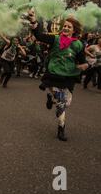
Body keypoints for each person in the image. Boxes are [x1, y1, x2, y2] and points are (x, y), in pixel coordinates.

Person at [28, 10, 89, 141]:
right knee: (61, 104)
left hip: (68, 76)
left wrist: (84, 65)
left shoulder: (78, 44)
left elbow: (83, 61)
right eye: (65, 26)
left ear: (74, 30)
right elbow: (38, 35)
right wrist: (33, 20)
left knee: (66, 102)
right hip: (54, 74)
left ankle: (52, 98)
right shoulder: (55, 39)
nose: (66, 28)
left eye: (69, 27)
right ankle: (61, 130)